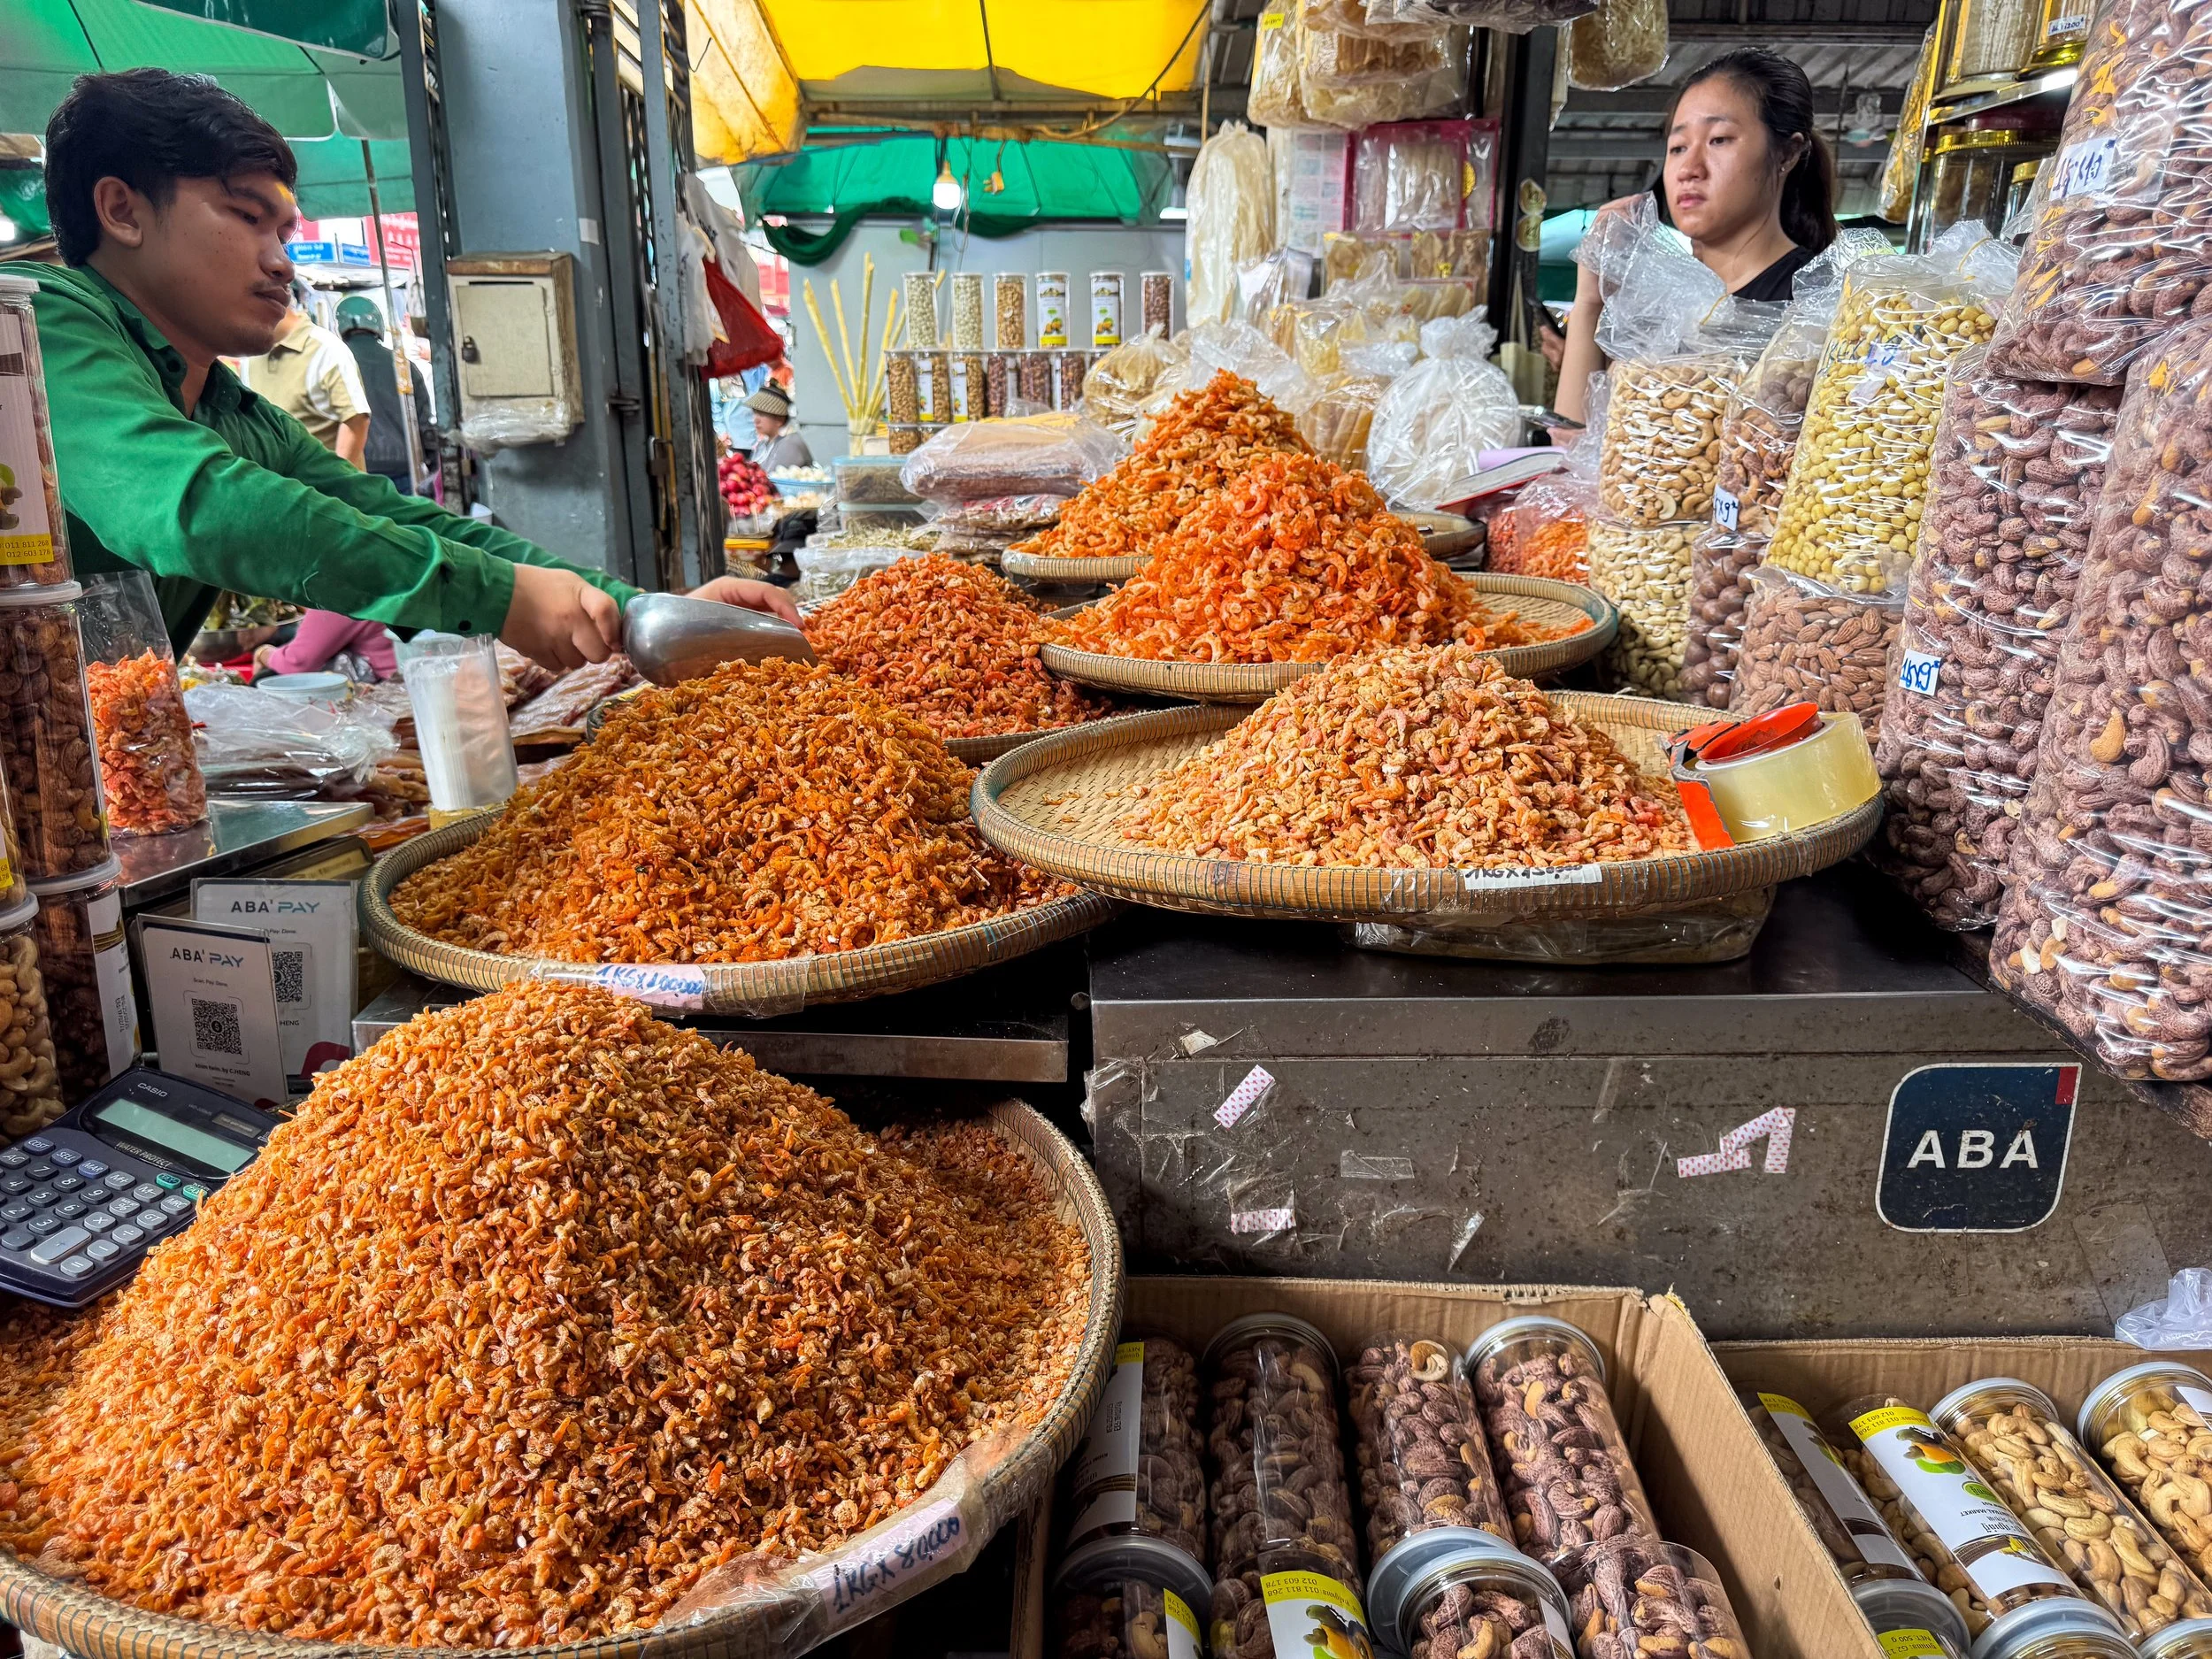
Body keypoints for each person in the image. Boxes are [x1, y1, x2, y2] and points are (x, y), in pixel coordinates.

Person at [13, 67, 798, 673]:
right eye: (248, 217)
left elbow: (397, 519)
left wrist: (637, 610)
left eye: (284, 231)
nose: (282, 262)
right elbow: (203, 509)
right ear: (122, 210)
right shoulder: (31, 328)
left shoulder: (231, 412)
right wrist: (502, 599)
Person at [1555, 48, 1839, 425]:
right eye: (1677, 148)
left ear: (1787, 153)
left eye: (1719, 139)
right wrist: (1591, 299)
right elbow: (1576, 439)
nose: (1689, 168)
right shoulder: (1660, 304)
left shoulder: (1820, 302)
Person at [239, 278, 369, 467]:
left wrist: (336, 478)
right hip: (278, 483)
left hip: (325, 484)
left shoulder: (326, 349)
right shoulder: (249, 359)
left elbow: (356, 420)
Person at [334, 292, 424, 495]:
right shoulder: (404, 366)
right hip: (404, 468)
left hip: (357, 470)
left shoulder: (335, 366)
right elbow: (424, 422)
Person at [743, 384, 813, 472]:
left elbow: (769, 476)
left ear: (779, 419)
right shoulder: (763, 444)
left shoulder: (790, 444)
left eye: (762, 414)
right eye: (755, 413)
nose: (756, 420)